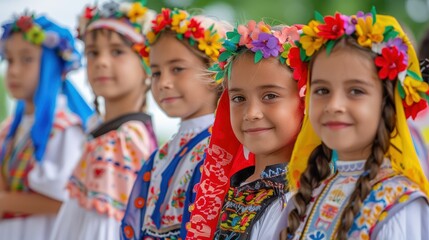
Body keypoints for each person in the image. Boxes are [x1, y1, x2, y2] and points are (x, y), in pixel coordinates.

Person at [282, 9, 429, 240]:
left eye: (355, 91)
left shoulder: (400, 203)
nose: (334, 105)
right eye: (322, 90)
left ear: (386, 102)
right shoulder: (305, 196)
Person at [186, 21, 306, 240]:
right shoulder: (226, 192)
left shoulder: (309, 198)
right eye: (238, 98)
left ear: (304, 101)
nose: (251, 113)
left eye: (270, 96)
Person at [50, 1, 157, 239]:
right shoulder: (109, 134)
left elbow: (107, 228)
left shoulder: (121, 141)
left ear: (148, 65)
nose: (101, 62)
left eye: (117, 51)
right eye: (92, 52)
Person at [120, 8, 228, 239]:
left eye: (177, 69)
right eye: (157, 72)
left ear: (214, 71)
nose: (164, 83)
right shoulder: (165, 152)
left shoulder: (220, 149)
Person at [0, 12, 93, 240]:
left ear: (52, 65)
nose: (13, 70)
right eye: (9, 60)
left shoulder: (65, 128)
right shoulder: (9, 127)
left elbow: (63, 200)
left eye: (27, 59)